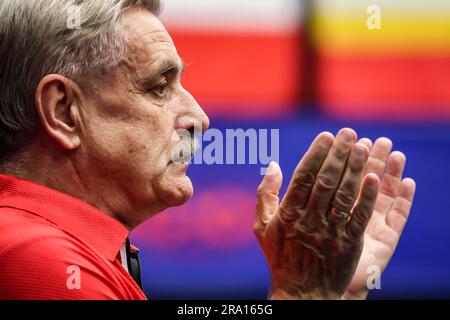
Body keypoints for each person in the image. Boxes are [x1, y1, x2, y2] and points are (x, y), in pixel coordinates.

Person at [0, 0, 415, 300]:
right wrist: (305, 293)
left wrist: (334, 290)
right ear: (63, 111)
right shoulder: (40, 261)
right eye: (159, 86)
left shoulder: (58, 249)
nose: (199, 117)